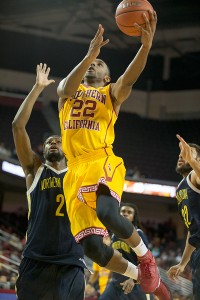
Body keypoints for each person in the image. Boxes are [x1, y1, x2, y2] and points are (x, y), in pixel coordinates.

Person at [57, 11, 170, 299]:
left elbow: (129, 79)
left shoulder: (111, 93)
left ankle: (146, 258)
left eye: (98, 64)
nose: (93, 65)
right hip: (74, 171)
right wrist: (89, 54)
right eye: (90, 64)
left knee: (108, 212)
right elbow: (63, 86)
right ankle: (144, 278)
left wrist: (145, 47)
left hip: (101, 160)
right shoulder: (68, 95)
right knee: (93, 247)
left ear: (107, 77)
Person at [12, 63, 86, 300]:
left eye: (57, 141)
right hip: (35, 259)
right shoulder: (35, 170)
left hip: (70, 262)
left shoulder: (78, 172)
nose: (52, 143)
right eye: (48, 142)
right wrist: (37, 88)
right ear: (42, 151)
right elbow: (17, 126)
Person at [167, 134, 200, 300]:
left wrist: (194, 162)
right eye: (181, 154)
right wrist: (183, 263)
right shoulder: (181, 187)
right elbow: (192, 230)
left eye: (188, 152)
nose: (182, 155)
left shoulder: (195, 175)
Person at [99, 203, 153, 300]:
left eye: (129, 212)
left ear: (133, 217)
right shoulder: (113, 235)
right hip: (116, 283)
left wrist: (133, 279)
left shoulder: (138, 233)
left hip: (136, 283)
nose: (125, 214)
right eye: (123, 211)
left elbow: (147, 260)